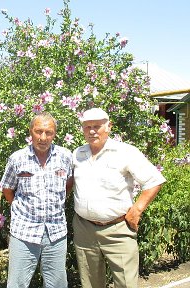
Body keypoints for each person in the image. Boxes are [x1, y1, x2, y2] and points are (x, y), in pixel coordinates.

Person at [72, 107, 166, 288]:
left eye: (97, 126)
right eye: (87, 126)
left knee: (126, 284)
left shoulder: (125, 152)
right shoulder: (77, 154)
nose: (92, 131)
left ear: (109, 127)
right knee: (90, 284)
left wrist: (137, 210)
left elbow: (154, 180)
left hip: (118, 230)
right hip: (84, 230)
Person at [1, 112, 73, 288]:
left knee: (57, 284)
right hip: (24, 232)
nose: (43, 137)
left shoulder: (65, 156)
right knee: (17, 284)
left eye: (48, 132)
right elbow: (8, 189)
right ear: (30, 131)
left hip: (56, 232)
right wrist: (23, 210)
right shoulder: (17, 158)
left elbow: (68, 185)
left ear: (55, 134)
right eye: (38, 131)